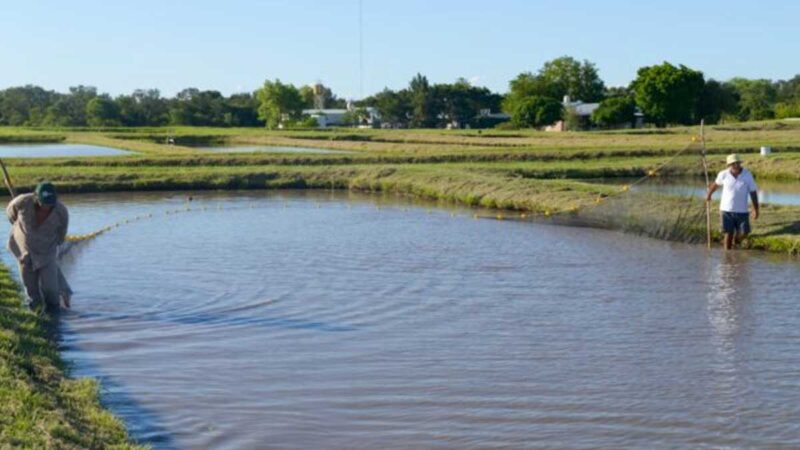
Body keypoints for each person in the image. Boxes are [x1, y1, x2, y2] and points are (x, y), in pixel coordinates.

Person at [6, 182, 72, 311]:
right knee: (30, 288)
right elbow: (11, 213)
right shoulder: (22, 201)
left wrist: (48, 243)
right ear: (36, 197)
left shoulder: (61, 211)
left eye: (50, 204)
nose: (46, 207)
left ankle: (54, 313)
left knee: (51, 288)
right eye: (44, 204)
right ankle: (35, 312)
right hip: (23, 250)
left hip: (46, 251)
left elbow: (61, 235)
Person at [705, 154, 760, 250]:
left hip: (742, 211)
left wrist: (756, 209)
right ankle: (727, 257)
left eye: (737, 163)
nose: (736, 165)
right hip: (726, 210)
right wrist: (709, 194)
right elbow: (715, 185)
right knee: (728, 233)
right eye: (733, 164)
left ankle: (736, 241)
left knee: (744, 232)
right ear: (729, 165)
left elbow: (753, 192)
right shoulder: (723, 174)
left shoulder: (747, 175)